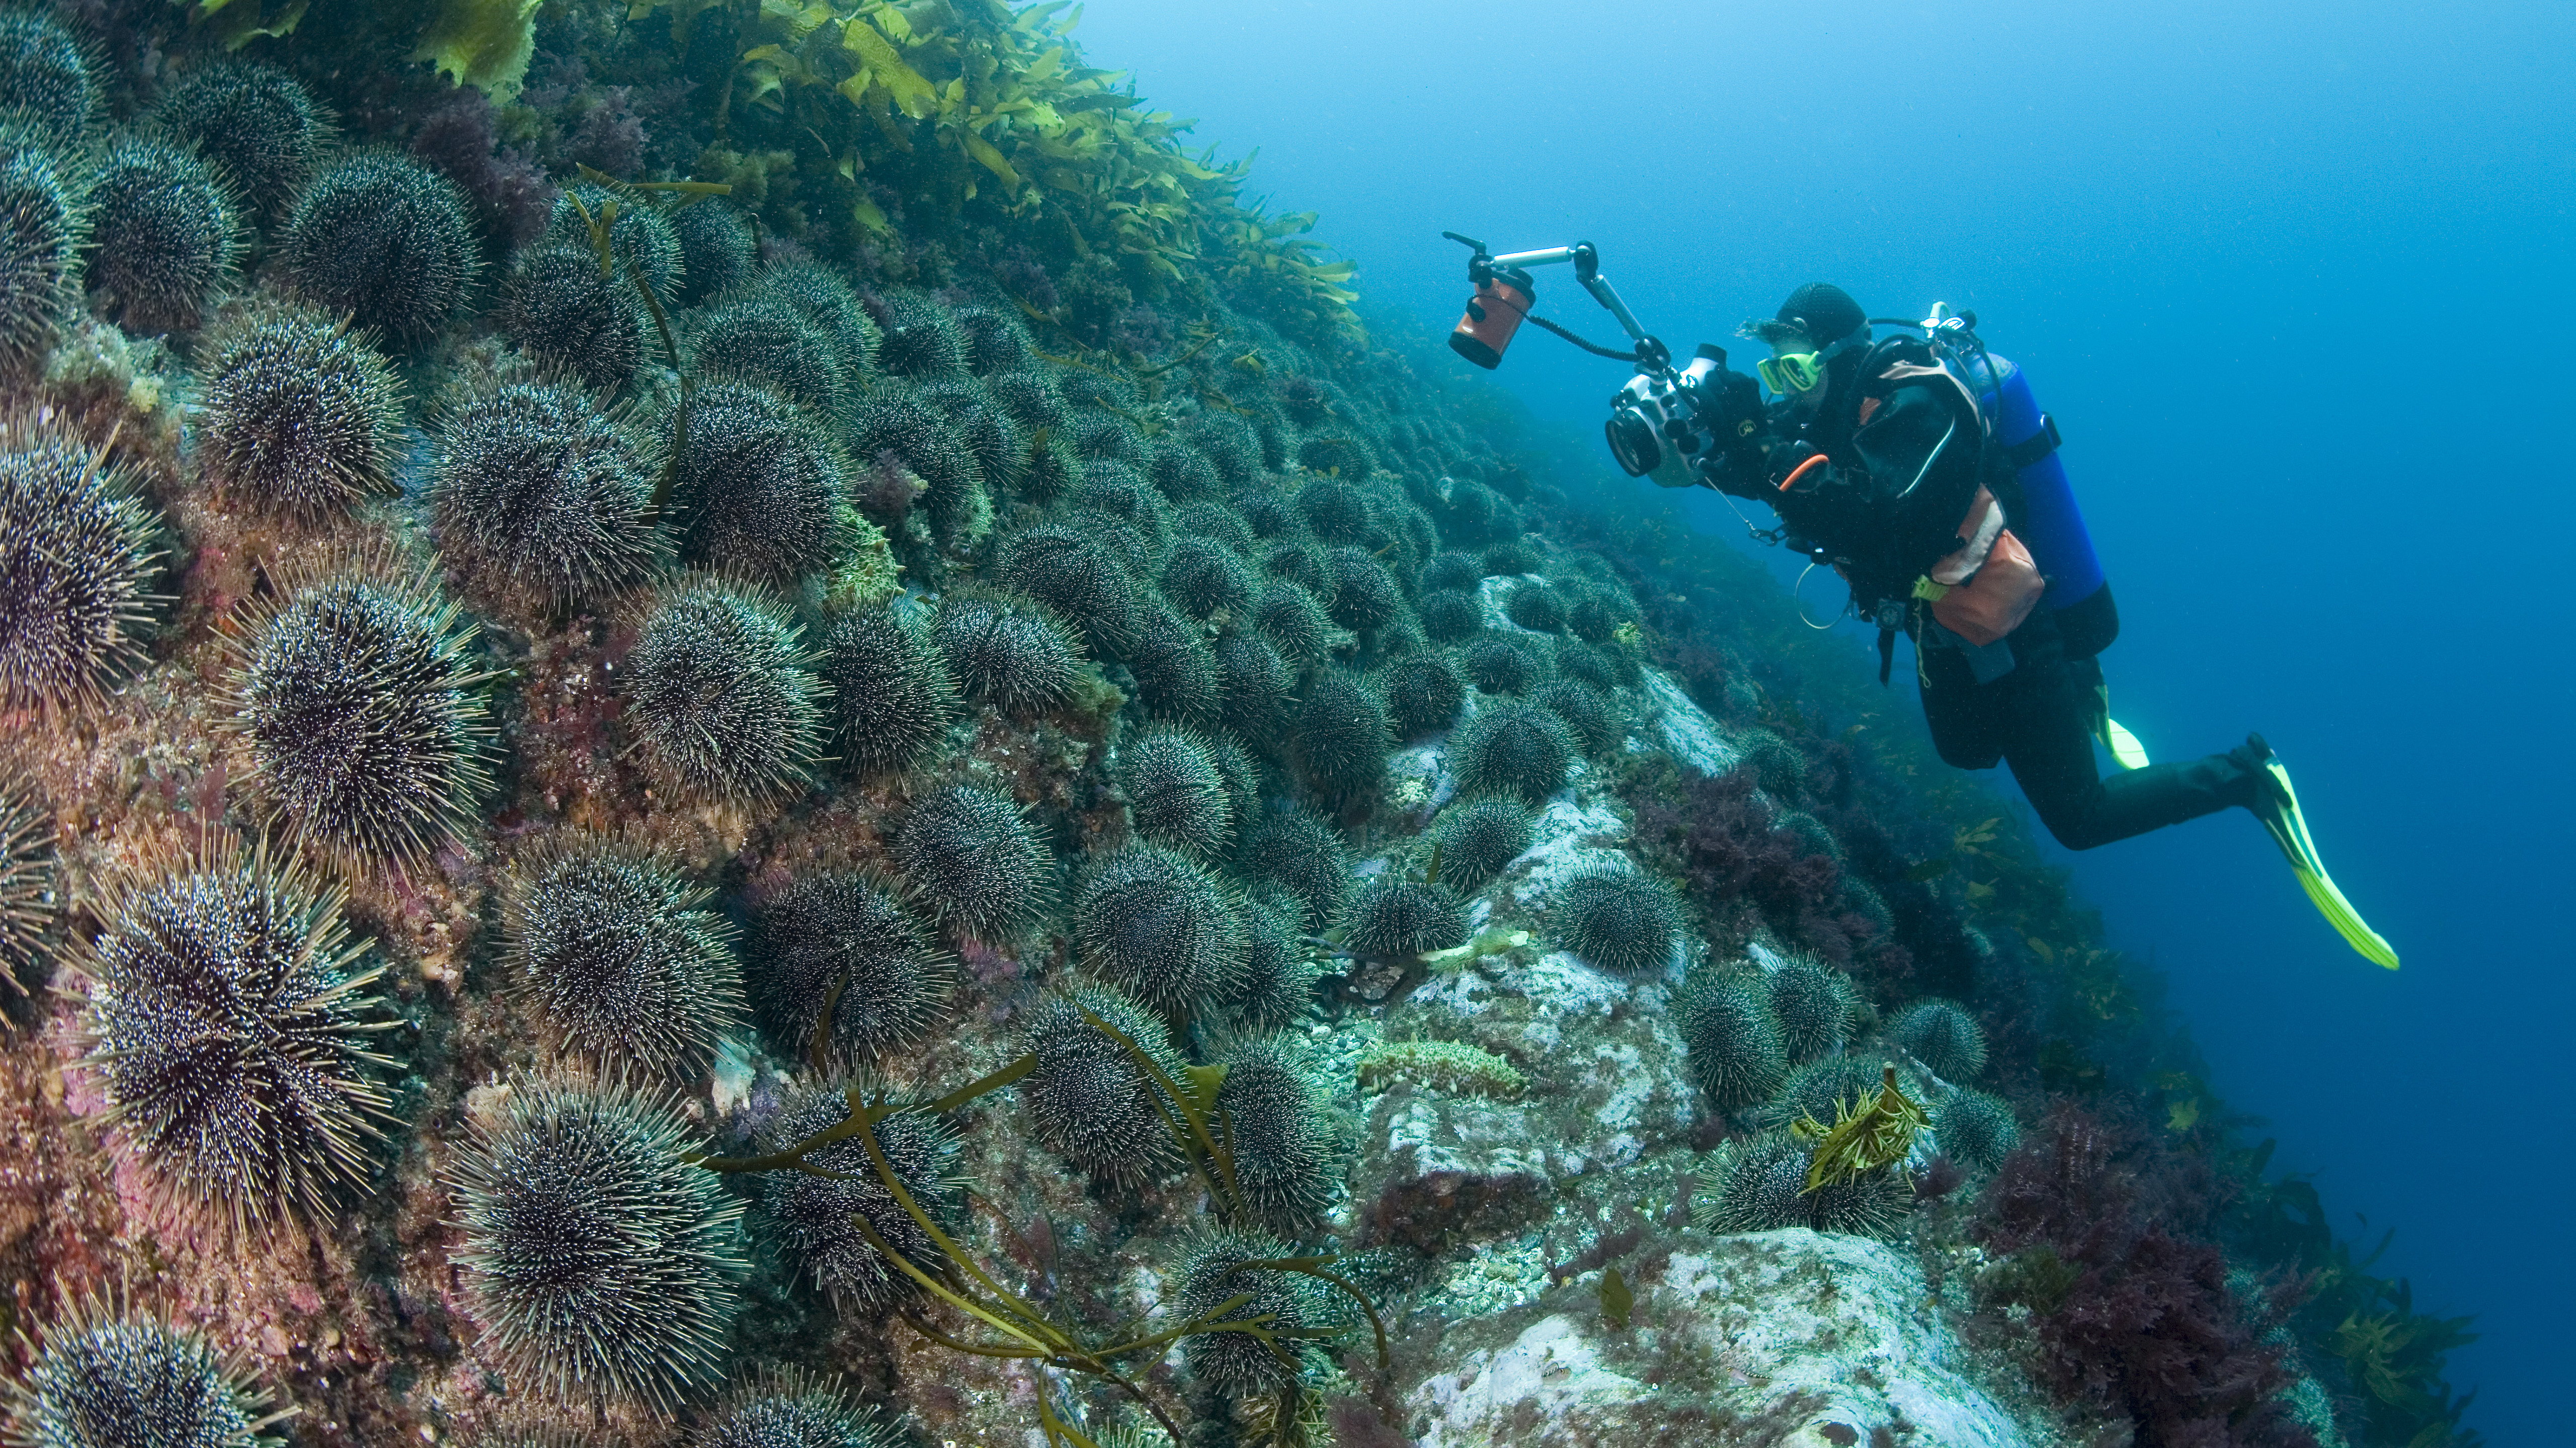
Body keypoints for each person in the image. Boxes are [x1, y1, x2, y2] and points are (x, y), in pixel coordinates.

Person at [1705, 283, 2394, 967]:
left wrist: (1767, 455)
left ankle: (2249, 779)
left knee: (2080, 819)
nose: (1786, 390)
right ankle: (2081, 690)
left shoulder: (1921, 403)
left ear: (1843, 353)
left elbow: (1882, 523)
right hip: (1942, 622)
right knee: (1966, 750)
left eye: (1795, 370)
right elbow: (1796, 485)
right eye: (1775, 372)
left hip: (2013, 624)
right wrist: (1721, 440)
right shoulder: (1830, 411)